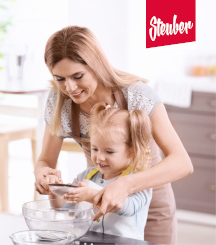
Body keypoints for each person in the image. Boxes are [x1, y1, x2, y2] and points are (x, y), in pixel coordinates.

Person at [35, 25, 193, 245]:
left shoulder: (137, 95)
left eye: (77, 76)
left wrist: (125, 185)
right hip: (100, 209)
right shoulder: (59, 102)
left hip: (149, 201)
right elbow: (46, 160)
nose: (69, 87)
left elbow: (182, 162)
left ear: (96, 65)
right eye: (59, 78)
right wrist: (44, 174)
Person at [56, 103, 152, 240]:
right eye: (95, 149)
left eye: (109, 151)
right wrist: (56, 189)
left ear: (132, 152)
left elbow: (128, 207)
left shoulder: (138, 180)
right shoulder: (85, 176)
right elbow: (66, 209)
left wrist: (90, 195)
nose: (99, 157)